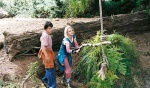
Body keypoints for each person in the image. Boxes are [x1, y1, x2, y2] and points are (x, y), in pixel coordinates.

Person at [38, 21, 56, 88]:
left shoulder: (45, 34)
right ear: (45, 28)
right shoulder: (45, 35)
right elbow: (43, 47)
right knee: (50, 70)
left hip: (49, 51)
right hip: (46, 52)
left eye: (51, 28)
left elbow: (41, 40)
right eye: (49, 28)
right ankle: (51, 86)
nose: (50, 29)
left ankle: (45, 80)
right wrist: (46, 56)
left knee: (50, 68)